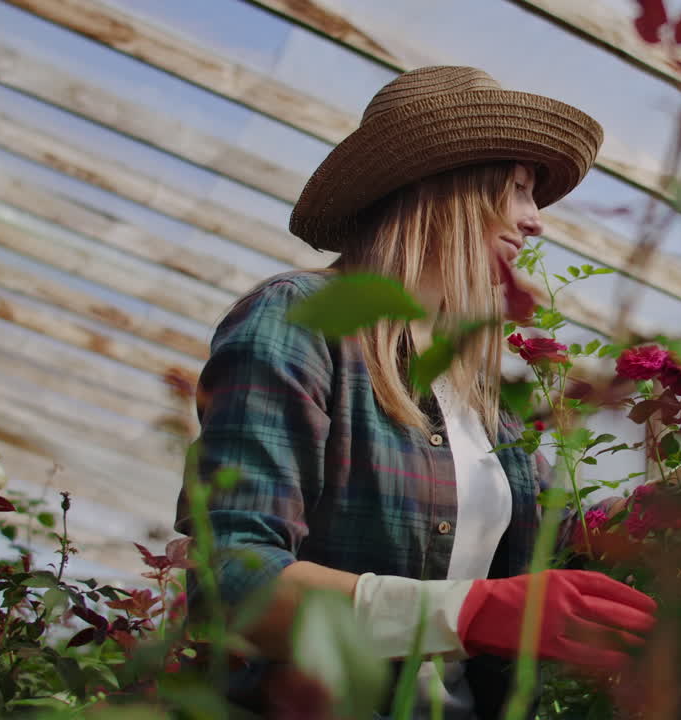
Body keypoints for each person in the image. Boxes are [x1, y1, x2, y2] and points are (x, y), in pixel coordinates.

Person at [175, 66, 656, 719]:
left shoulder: (474, 391)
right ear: (447, 186)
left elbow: (563, 546)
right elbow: (230, 580)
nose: (535, 221)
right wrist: (469, 611)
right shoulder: (301, 323)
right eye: (517, 189)